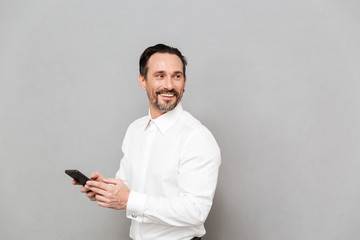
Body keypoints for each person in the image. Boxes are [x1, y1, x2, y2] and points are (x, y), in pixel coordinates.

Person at [73, 44, 221, 240]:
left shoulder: (197, 137)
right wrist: (104, 189)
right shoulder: (135, 130)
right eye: (160, 75)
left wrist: (129, 200)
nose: (169, 85)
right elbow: (128, 184)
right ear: (143, 81)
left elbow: (196, 210)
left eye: (176, 76)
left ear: (184, 81)